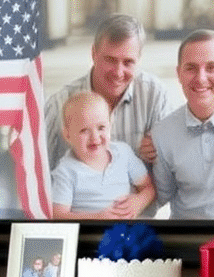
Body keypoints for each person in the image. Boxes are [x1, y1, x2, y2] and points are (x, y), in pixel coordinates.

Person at [44, 14, 171, 170]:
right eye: (110, 60)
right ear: (94, 54)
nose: (118, 73)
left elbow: (171, 163)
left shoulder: (154, 96)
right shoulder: (59, 105)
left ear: (139, 59)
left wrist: (162, 151)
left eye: (128, 62)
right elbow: (39, 172)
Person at [150, 30, 214, 220]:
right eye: (191, 68)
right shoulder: (162, 132)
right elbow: (159, 198)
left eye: (211, 67)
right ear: (178, 73)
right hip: (187, 237)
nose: (201, 78)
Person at [50, 92, 155, 221]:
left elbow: (148, 187)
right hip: (91, 232)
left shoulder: (123, 153)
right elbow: (58, 215)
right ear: (67, 135)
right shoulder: (66, 171)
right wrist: (97, 218)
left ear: (110, 126)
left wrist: (138, 202)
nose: (95, 137)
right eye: (84, 130)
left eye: (101, 128)